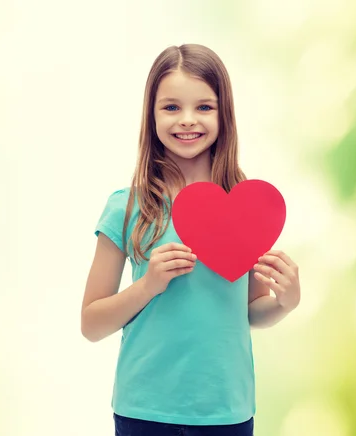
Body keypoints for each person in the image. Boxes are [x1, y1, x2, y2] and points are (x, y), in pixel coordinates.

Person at [80, 43, 301, 436]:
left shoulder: (248, 207)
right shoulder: (127, 208)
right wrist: (149, 285)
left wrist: (285, 302)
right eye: (171, 107)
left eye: (203, 107)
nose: (187, 120)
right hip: (144, 410)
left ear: (224, 114)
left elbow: (249, 312)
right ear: (151, 115)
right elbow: (91, 324)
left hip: (226, 411)